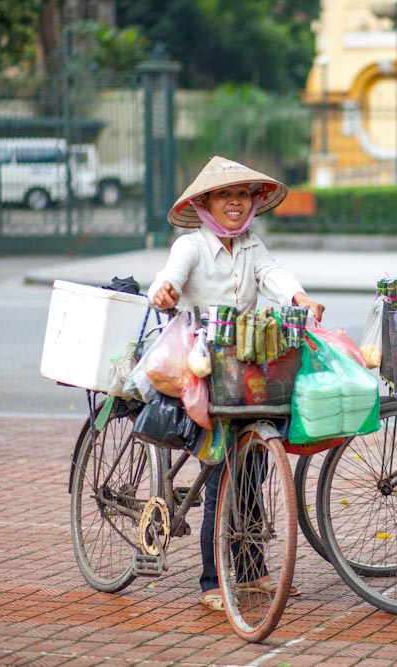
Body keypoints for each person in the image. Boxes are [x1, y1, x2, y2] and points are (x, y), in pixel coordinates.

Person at [148, 156, 324, 612]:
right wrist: (163, 291)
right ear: (206, 201)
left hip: (246, 367)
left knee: (253, 470)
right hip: (201, 367)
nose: (234, 203)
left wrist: (300, 297)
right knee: (220, 473)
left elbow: (274, 277)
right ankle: (212, 581)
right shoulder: (191, 246)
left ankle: (253, 572)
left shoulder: (251, 246)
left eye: (242, 195)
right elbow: (168, 280)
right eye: (226, 195)